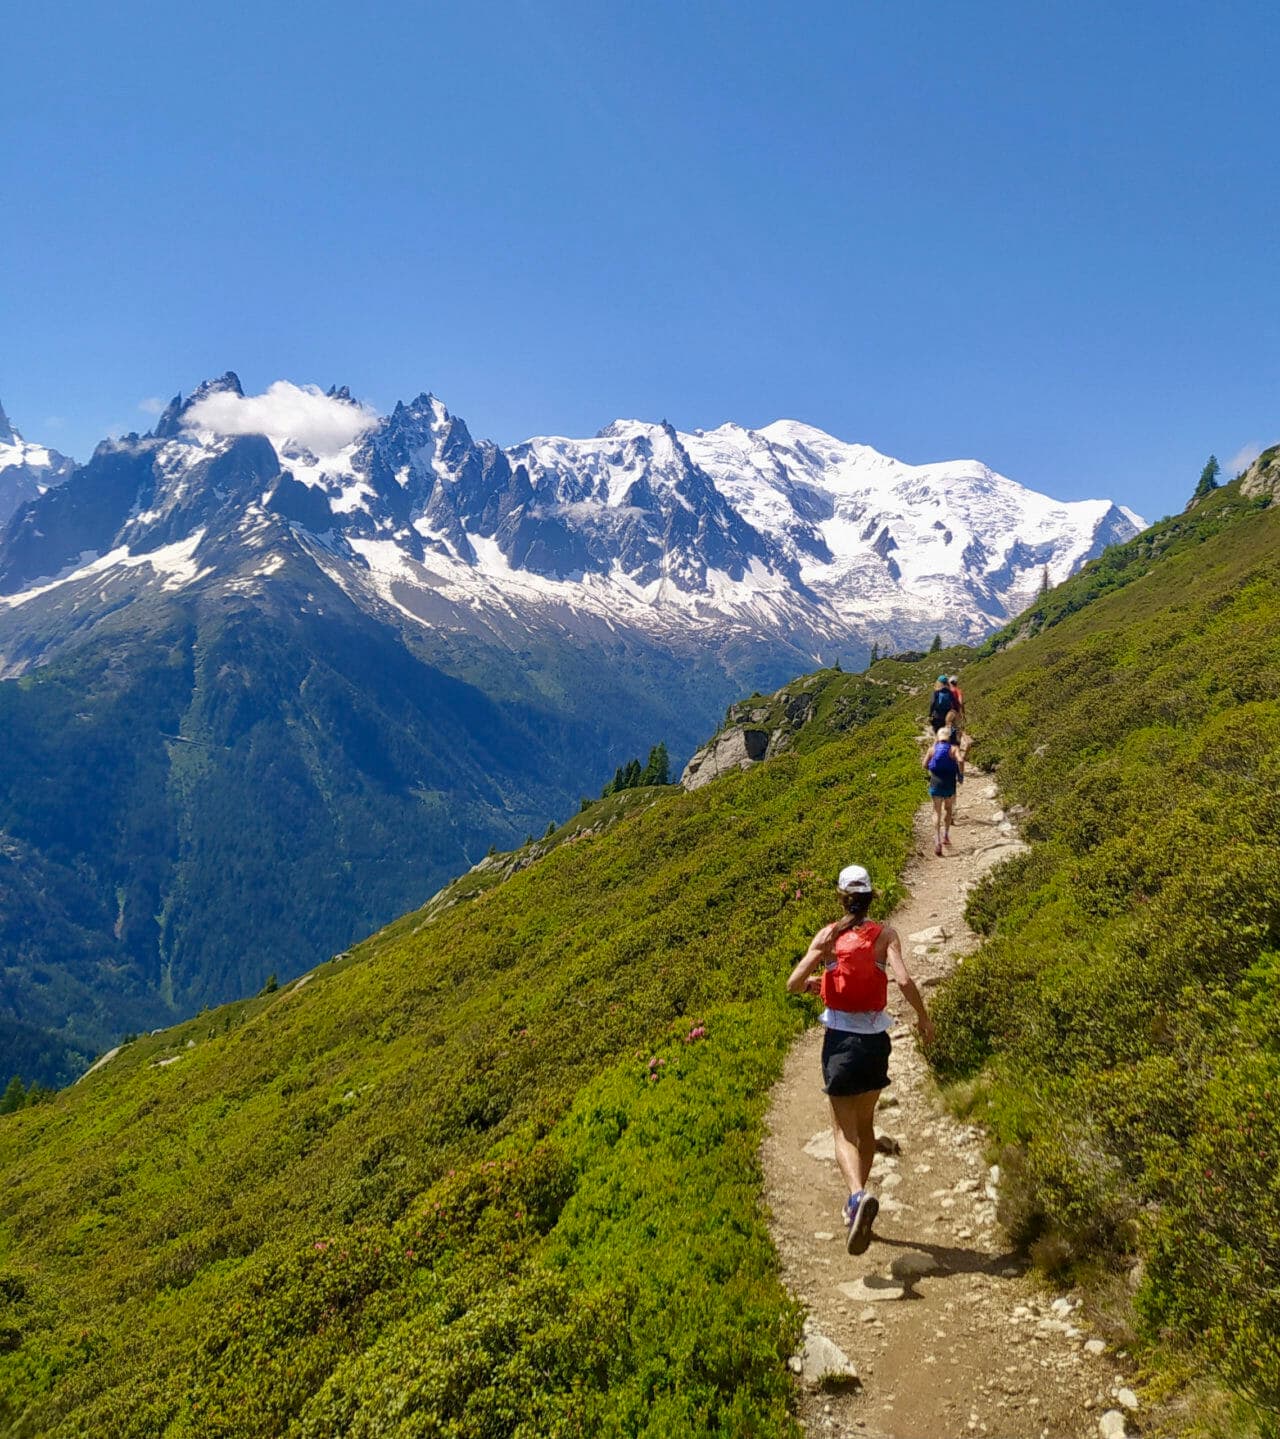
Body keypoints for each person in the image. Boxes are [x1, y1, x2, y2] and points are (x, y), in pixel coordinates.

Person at [786, 864, 936, 1255]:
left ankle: (856, 1196)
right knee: (866, 1124)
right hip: (876, 1041)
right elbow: (902, 981)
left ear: (841, 896)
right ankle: (858, 1202)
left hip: (840, 1041)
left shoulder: (828, 937)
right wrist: (923, 1017)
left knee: (842, 1131)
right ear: (871, 898)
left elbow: (793, 983)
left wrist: (818, 981)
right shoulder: (886, 935)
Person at [924, 728, 962, 856]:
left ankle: (937, 839)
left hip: (936, 782)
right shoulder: (954, 749)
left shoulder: (932, 749)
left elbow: (924, 765)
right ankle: (946, 836)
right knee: (949, 808)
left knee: (936, 811)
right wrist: (960, 774)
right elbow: (961, 760)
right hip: (949, 783)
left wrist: (931, 769)